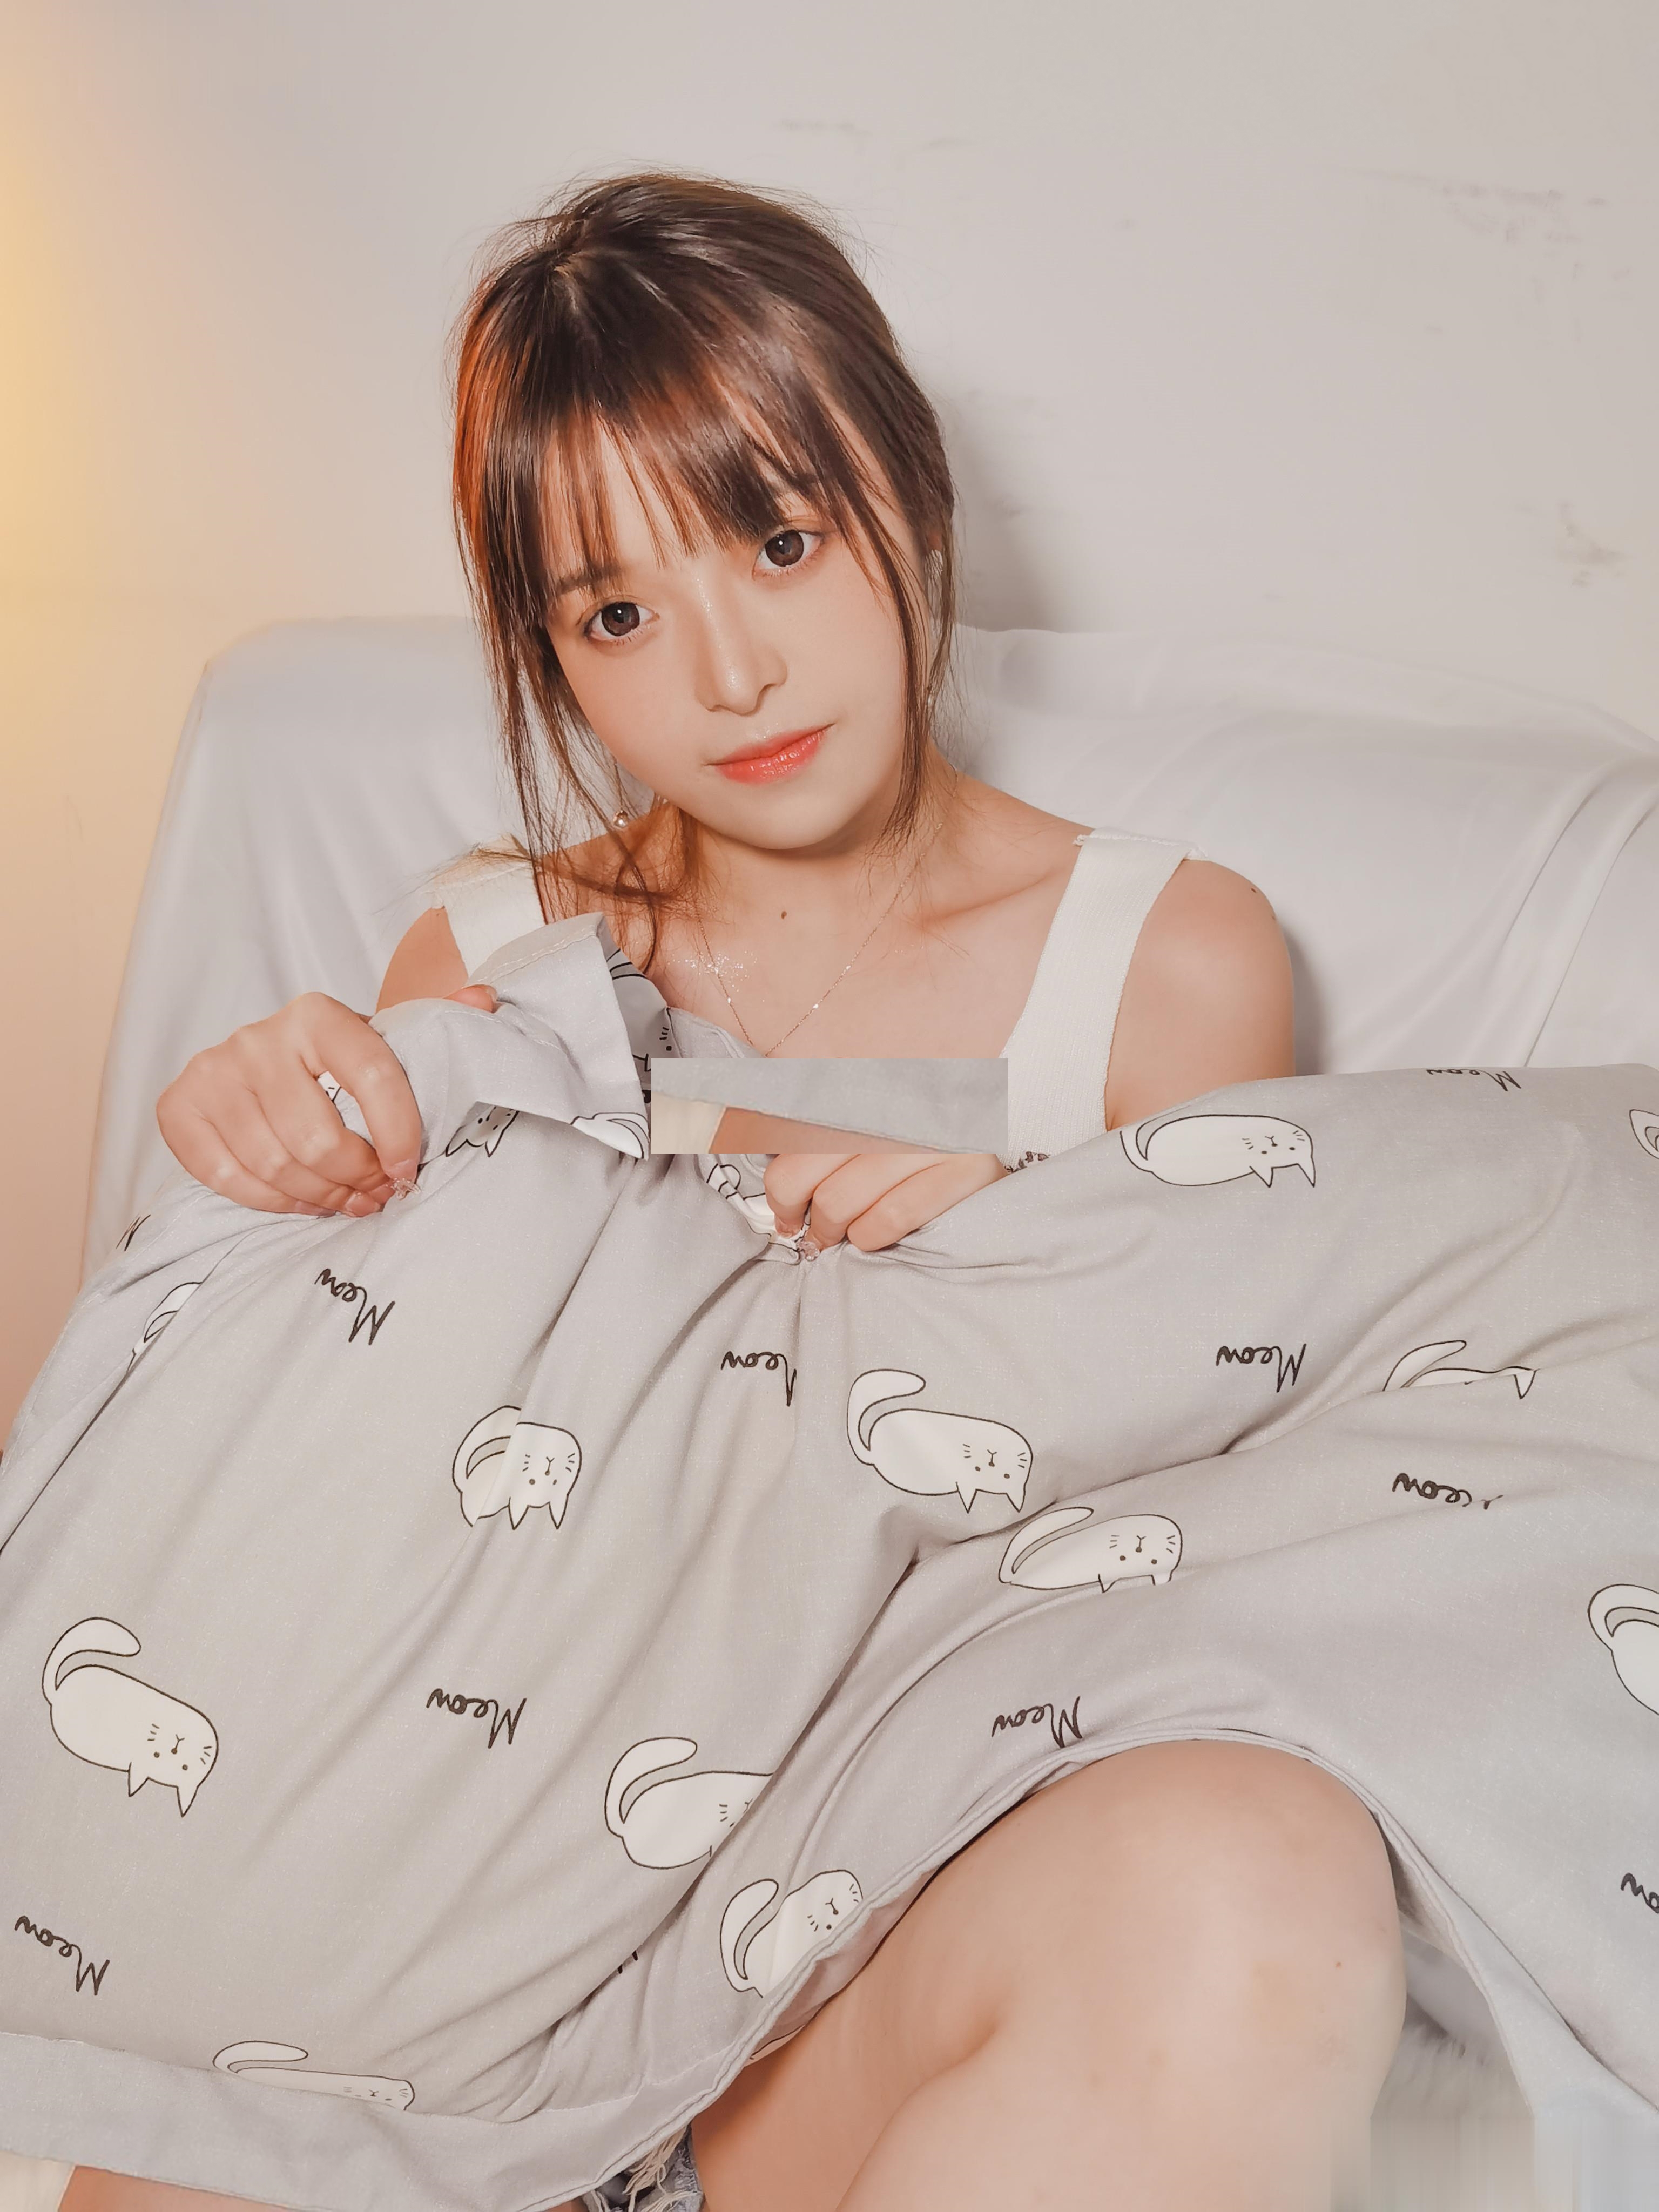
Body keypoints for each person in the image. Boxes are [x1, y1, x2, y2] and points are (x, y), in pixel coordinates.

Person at [75, 173, 1405, 2212]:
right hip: (455, 1937)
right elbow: (348, 1538)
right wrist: (268, 1165)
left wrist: (1023, 1263)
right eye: (616, 614)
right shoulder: (484, 958)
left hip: (858, 1951)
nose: (730, 676)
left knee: (1253, 1875)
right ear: (547, 653)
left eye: (782, 542)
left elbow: (1228, 1543)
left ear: (912, 495)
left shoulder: (1165, 959)